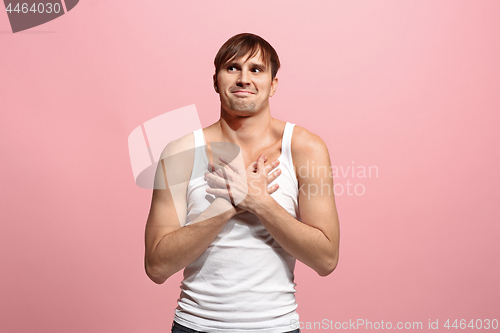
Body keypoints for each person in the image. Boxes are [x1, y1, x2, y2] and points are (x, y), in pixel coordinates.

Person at [144, 33, 340, 333]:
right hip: (194, 325)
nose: (243, 78)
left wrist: (259, 201)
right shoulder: (180, 152)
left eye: (256, 69)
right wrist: (227, 206)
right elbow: (157, 266)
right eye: (232, 68)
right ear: (216, 81)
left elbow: (326, 259)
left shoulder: (304, 148)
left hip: (276, 327)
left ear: (273, 84)